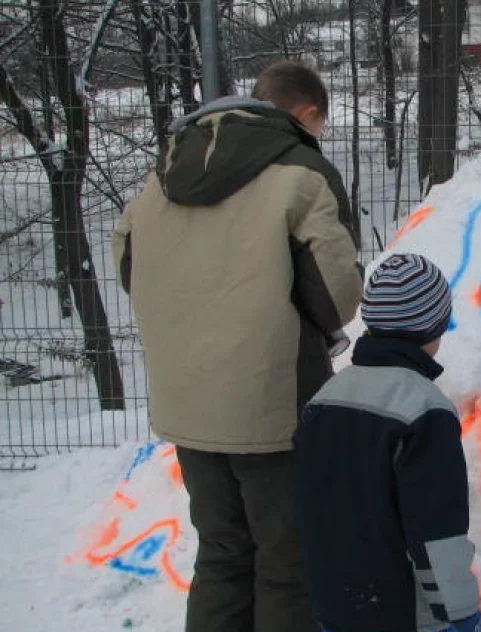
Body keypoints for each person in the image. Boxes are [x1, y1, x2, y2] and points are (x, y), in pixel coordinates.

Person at [112, 60, 364, 632]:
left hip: (187, 404)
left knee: (222, 554)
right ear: (305, 113)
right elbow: (336, 295)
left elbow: (129, 262)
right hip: (272, 404)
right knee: (286, 560)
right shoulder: (303, 171)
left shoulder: (168, 169)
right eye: (318, 125)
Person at [293, 253, 481, 632]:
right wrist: (461, 613)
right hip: (402, 613)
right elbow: (437, 531)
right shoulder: (425, 410)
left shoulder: (324, 399)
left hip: (336, 603)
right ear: (437, 325)